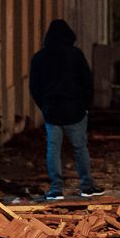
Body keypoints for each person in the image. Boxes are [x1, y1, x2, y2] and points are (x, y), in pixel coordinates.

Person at [29, 19, 102, 200]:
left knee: (53, 149)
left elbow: (34, 87)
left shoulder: (39, 57)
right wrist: (86, 105)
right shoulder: (75, 55)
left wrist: (44, 105)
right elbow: (87, 81)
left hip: (52, 111)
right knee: (79, 148)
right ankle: (86, 186)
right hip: (75, 109)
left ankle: (56, 189)